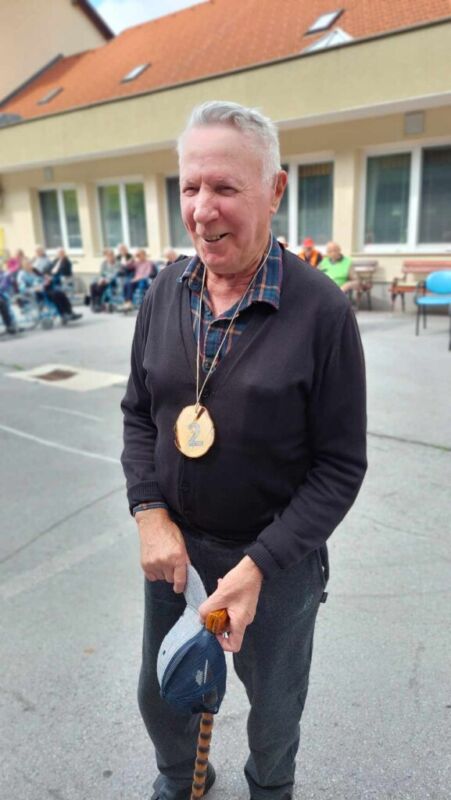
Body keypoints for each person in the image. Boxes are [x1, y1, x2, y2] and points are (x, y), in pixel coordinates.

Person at [121, 101, 367, 800]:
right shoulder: (163, 291)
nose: (202, 210)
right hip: (176, 554)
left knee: (275, 708)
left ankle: (270, 789)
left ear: (275, 190)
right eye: (190, 187)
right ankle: (183, 779)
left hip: (277, 562)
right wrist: (149, 513)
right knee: (164, 693)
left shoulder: (321, 311)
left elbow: (339, 466)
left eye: (225, 187)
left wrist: (260, 565)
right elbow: (139, 413)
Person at [18, 259, 82, 323]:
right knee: (55, 295)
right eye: (28, 264)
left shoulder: (34, 271)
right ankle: (63, 315)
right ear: (23, 266)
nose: (30, 265)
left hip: (45, 288)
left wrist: (47, 279)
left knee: (61, 293)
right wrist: (33, 289)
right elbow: (22, 288)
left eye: (30, 263)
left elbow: (42, 277)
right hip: (37, 293)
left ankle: (70, 312)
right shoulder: (22, 274)